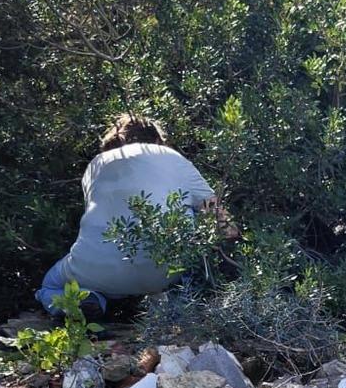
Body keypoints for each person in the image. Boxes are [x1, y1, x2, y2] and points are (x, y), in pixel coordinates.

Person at [35, 116, 218, 314]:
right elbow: (219, 217)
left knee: (51, 286)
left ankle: (89, 300)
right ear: (157, 140)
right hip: (165, 272)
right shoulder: (172, 157)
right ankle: (183, 305)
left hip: (97, 270)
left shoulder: (95, 165)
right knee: (197, 212)